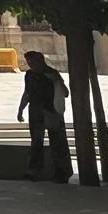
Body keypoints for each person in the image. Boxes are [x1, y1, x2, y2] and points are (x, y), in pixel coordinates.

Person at [18, 51, 72, 183]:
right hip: (36, 112)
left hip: (52, 111)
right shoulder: (29, 75)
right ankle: (33, 171)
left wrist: (57, 82)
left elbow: (65, 93)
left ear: (40, 61)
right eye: (29, 63)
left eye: (33, 62)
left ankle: (62, 172)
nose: (31, 65)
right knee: (36, 142)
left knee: (58, 142)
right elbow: (27, 93)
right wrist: (21, 109)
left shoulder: (52, 74)